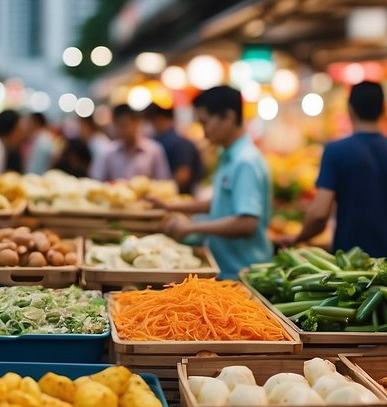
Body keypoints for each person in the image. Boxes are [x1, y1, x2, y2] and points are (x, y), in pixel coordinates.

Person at [289, 82, 387, 262]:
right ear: (384, 109)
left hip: (351, 268)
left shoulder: (335, 151)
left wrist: (300, 238)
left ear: (350, 109)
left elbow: (319, 213)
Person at [160, 87, 271, 279]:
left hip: (243, 274)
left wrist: (190, 228)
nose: (203, 132)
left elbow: (246, 223)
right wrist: (172, 205)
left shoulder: (245, 161)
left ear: (228, 116)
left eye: (205, 122)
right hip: (227, 268)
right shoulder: (227, 156)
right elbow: (223, 204)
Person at [93, 104, 171, 182]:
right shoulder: (108, 153)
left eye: (124, 125)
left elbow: (163, 182)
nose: (121, 130)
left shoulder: (154, 150)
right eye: (117, 126)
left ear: (136, 122)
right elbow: (99, 181)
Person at [147, 104, 203, 194]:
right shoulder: (163, 140)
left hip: (180, 198)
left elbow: (183, 175)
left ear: (160, 119)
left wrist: (163, 190)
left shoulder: (178, 143)